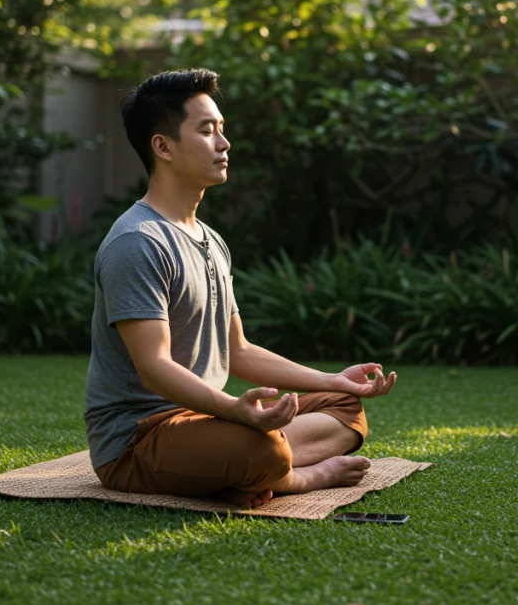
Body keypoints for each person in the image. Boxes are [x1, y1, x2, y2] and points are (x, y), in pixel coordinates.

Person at [85, 68, 398, 508]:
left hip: (209, 422)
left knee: (345, 407)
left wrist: (332, 378)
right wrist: (234, 411)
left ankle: (251, 469)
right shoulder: (137, 242)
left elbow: (238, 349)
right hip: (141, 440)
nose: (224, 143)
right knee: (262, 447)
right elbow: (154, 366)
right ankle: (298, 476)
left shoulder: (210, 240)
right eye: (207, 130)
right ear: (163, 146)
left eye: (222, 130)